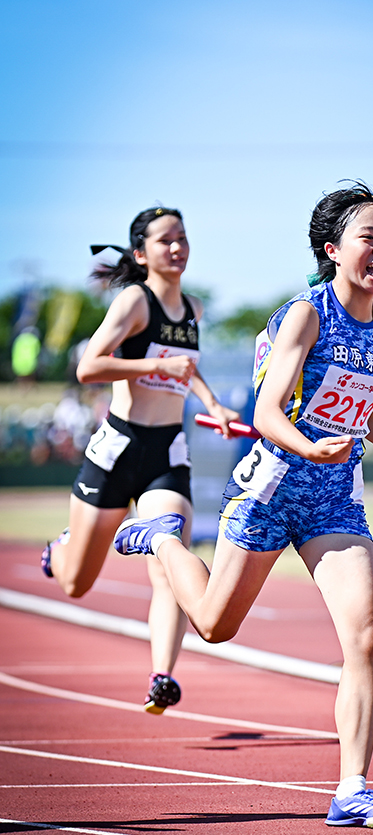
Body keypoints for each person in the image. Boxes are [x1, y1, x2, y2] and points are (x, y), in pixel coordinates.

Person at [112, 182, 373, 827]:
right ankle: (164, 537)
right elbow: (265, 410)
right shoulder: (306, 314)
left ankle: (352, 789)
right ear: (332, 248)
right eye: (370, 237)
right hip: (272, 486)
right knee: (213, 624)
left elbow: (370, 418)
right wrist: (309, 449)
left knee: (367, 637)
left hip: (335, 503)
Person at [41, 206, 239, 714]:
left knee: (168, 554)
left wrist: (213, 403)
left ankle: (162, 675)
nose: (177, 247)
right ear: (140, 253)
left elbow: (186, 367)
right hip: (117, 449)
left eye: (183, 237)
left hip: (167, 452)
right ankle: (60, 549)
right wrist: (154, 363)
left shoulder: (192, 307)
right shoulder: (135, 300)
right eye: (165, 240)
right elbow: (89, 367)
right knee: (75, 583)